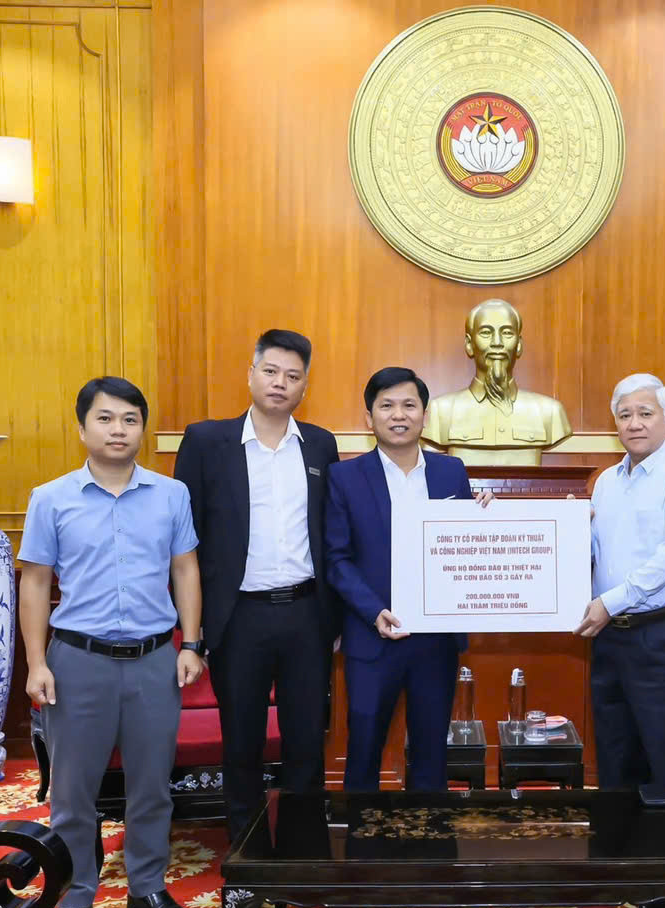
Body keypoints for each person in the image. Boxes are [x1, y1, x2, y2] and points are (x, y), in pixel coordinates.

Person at [19, 377, 204, 908]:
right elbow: (35, 583)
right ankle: (74, 895)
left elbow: (185, 570)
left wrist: (192, 644)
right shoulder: (51, 498)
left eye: (129, 419)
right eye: (104, 418)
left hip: (153, 660)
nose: (118, 429)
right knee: (73, 791)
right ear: (82, 428)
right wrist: (35, 663)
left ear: (142, 428)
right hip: (78, 661)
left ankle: (147, 886)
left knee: (152, 786)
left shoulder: (171, 495)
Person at [174, 329, 341, 843]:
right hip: (238, 617)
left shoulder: (320, 444)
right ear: (250, 375)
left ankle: (303, 851)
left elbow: (334, 529)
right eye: (270, 371)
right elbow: (184, 540)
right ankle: (250, 855)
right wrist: (194, 631)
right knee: (242, 743)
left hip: (306, 615)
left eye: (292, 376)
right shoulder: (207, 442)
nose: (279, 383)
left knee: (306, 743)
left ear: (305, 386)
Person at [325, 367, 491, 790]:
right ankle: (361, 832)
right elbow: (337, 559)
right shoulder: (344, 476)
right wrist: (373, 611)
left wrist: (486, 515)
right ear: (369, 417)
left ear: (424, 415)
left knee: (431, 755)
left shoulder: (451, 472)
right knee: (364, 750)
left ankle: (430, 832)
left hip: (436, 642)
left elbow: (465, 546)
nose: (398, 415)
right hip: (372, 637)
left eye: (408, 405)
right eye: (386, 406)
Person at [575, 373, 665, 806]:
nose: (634, 423)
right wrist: (556, 531)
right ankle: (620, 845)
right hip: (609, 637)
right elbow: (594, 552)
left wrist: (609, 603)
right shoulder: (606, 481)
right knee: (615, 754)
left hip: (661, 634)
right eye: (624, 414)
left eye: (645, 413)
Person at [422, 298, 572, 464]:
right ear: (469, 344)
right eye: (486, 333)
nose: (497, 343)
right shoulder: (440, 411)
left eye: (507, 333)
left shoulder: (550, 412)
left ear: (519, 344)